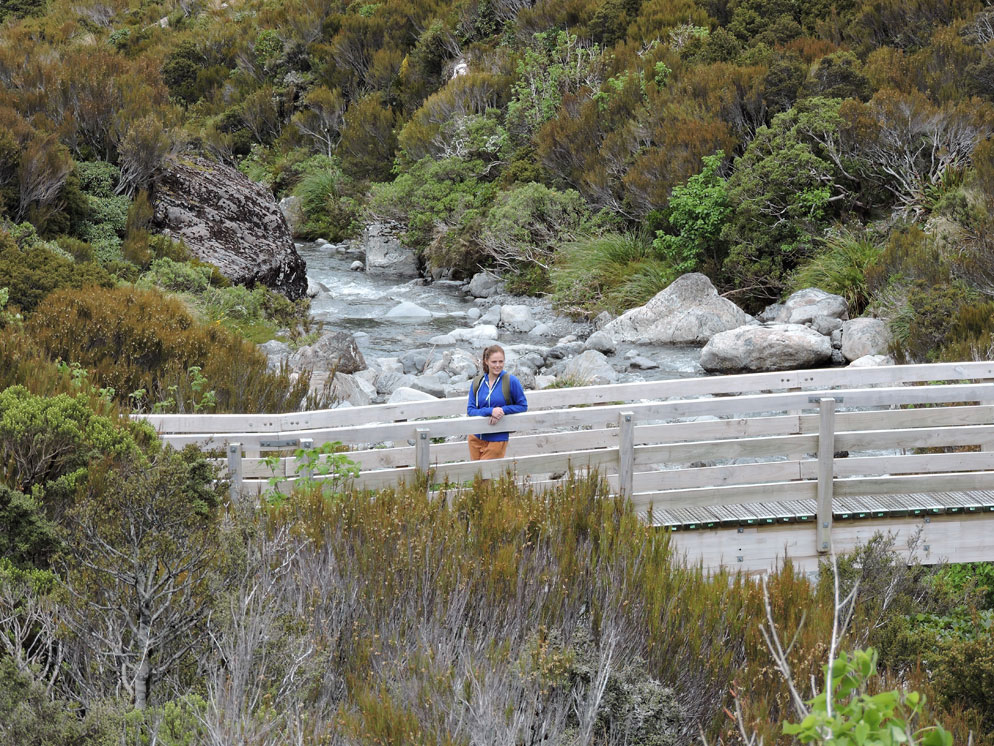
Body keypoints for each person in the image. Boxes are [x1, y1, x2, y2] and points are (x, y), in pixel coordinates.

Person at [467, 344, 528, 460]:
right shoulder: (477, 382)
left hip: (498, 438)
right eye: (494, 362)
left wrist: (502, 410)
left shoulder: (511, 381)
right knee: (476, 475)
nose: (498, 365)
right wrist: (491, 411)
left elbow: (523, 406)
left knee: (486, 475)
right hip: (475, 437)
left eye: (501, 362)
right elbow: (470, 410)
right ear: (486, 361)